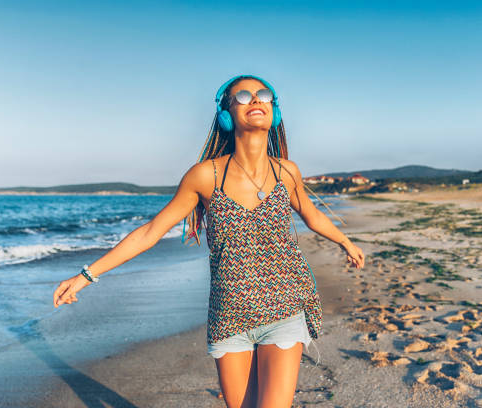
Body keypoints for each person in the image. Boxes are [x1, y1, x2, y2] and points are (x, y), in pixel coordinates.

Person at [53, 74, 366, 408]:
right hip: (229, 315)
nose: (256, 100)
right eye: (243, 96)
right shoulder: (205, 176)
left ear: (274, 110)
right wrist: (85, 276)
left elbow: (311, 215)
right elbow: (150, 232)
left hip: (285, 306)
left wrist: (345, 242)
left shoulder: (286, 172)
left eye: (263, 95)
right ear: (227, 113)